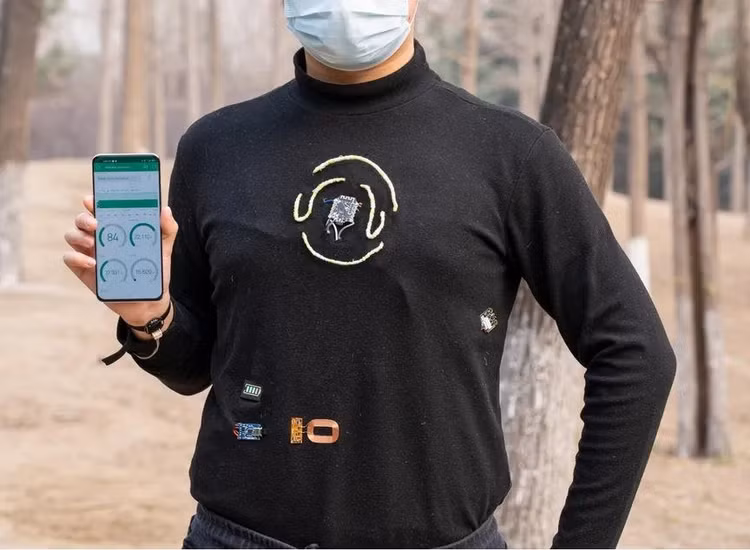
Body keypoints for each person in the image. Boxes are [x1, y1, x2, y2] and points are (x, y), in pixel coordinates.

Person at [63, 1, 676, 548]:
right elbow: (196, 367)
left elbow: (636, 353)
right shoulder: (217, 147)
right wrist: (151, 319)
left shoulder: (510, 153)